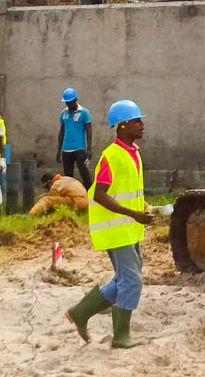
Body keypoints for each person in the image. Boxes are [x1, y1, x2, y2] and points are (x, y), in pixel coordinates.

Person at [64, 99, 155, 349]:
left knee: (126, 277)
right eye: (137, 121)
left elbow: (126, 190)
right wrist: (132, 213)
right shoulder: (112, 155)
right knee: (132, 280)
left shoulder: (133, 152)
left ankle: (81, 312)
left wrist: (143, 207)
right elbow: (99, 194)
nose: (142, 125)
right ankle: (121, 336)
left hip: (128, 226)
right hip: (116, 228)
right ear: (123, 125)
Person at [58, 88, 94, 186]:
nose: (68, 104)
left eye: (70, 102)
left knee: (84, 174)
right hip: (66, 150)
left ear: (76, 99)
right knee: (68, 177)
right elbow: (61, 132)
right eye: (67, 102)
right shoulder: (63, 113)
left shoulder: (84, 112)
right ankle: (71, 197)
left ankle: (88, 195)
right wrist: (59, 150)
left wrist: (89, 149)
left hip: (79, 149)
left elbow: (89, 131)